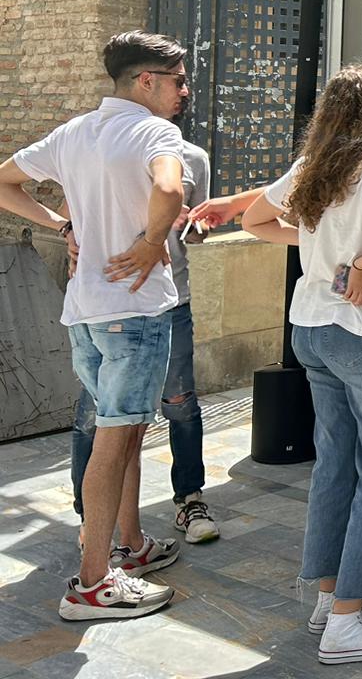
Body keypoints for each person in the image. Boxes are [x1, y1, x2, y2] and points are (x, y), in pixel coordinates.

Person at [0, 32, 189, 621]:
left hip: (86, 311)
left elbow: (4, 180)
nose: (185, 92)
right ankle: (91, 582)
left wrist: (63, 224)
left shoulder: (74, 132)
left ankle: (128, 546)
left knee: (124, 431)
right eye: (178, 80)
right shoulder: (156, 133)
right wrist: (151, 241)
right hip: (131, 312)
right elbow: (169, 187)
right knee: (115, 439)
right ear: (146, 81)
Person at [242, 65, 362, 664]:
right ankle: (348, 619)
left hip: (311, 331)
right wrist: (360, 268)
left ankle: (328, 598)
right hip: (361, 333)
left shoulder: (313, 166)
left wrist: (320, 248)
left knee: (335, 462)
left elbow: (254, 221)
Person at [69, 104, 219, 547]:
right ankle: (91, 519)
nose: (183, 92)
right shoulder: (100, 148)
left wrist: (193, 227)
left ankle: (188, 500)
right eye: (175, 81)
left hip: (170, 299)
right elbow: (72, 213)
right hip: (110, 305)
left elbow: (195, 225)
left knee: (179, 402)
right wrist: (66, 233)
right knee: (100, 415)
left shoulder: (193, 156)